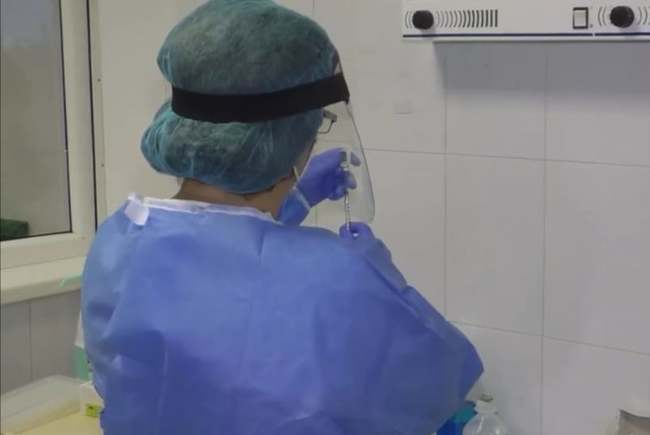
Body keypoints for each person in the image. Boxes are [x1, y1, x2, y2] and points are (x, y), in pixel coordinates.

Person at [81, 1, 483, 434]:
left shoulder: (119, 241)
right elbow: (441, 379)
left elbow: (219, 268)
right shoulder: (338, 275)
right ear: (290, 138)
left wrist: (294, 202)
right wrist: (388, 287)